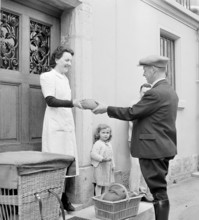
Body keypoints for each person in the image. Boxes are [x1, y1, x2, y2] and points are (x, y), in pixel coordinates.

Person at [92, 55, 179, 220]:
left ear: (153, 69)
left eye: (145, 69)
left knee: (158, 192)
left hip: (153, 149)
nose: (144, 74)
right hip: (162, 147)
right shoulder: (169, 91)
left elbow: (132, 112)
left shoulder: (155, 93)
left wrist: (106, 108)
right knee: (159, 190)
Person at [40, 45, 82, 212]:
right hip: (54, 127)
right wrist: (73, 103)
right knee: (56, 164)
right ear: (57, 59)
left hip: (66, 126)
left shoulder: (65, 79)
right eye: (66, 59)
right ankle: (53, 202)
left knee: (67, 164)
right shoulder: (47, 77)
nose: (69, 63)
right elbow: (50, 100)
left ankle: (64, 197)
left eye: (71, 60)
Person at [128, 83, 153, 202]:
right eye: (144, 92)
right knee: (136, 166)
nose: (146, 94)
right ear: (140, 93)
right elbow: (133, 123)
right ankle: (133, 193)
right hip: (135, 139)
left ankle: (143, 192)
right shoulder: (134, 105)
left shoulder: (154, 105)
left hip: (149, 140)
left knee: (146, 166)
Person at [90, 124, 115, 196]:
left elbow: (111, 155)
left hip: (107, 167)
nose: (105, 135)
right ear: (98, 134)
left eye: (107, 133)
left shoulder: (109, 144)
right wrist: (102, 159)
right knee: (99, 183)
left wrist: (113, 165)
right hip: (100, 166)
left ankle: (103, 197)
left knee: (105, 183)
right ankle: (98, 197)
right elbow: (93, 154)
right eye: (103, 133)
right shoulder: (98, 143)